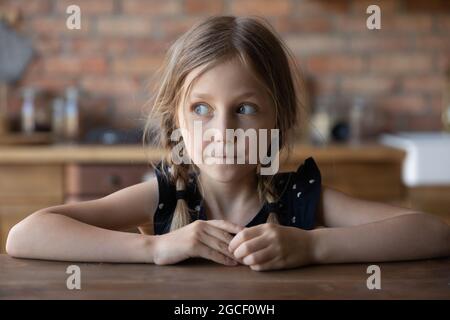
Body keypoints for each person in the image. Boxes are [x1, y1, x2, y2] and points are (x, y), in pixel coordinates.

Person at [6, 16, 449, 271]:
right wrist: (158, 248)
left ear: (280, 119)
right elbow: (25, 236)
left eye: (246, 109)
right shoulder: (164, 195)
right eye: (201, 109)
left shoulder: (300, 198)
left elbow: (433, 232)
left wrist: (312, 246)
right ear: (174, 120)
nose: (222, 131)